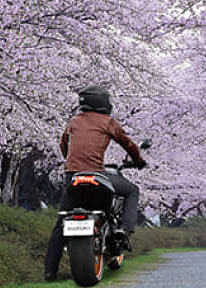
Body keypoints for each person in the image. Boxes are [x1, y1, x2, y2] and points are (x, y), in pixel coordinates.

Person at [43, 85, 147, 281]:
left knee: (60, 224)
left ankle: (50, 272)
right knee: (132, 190)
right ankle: (124, 230)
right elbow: (128, 144)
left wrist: (70, 161)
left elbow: (63, 145)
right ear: (103, 103)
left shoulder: (73, 121)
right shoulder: (108, 122)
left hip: (73, 177)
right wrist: (139, 161)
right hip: (97, 175)